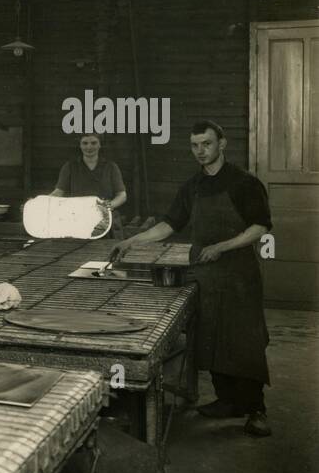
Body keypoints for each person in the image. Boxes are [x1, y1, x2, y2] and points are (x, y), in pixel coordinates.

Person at [113, 121, 272, 437]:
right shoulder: (192, 187)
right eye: (195, 145)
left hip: (240, 275)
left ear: (222, 144)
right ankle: (228, 400)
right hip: (205, 273)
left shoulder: (245, 183)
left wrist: (223, 246)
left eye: (207, 144)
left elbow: (260, 226)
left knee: (244, 342)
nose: (201, 151)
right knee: (212, 336)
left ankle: (256, 409)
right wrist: (134, 241)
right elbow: (169, 225)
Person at [50, 134, 127, 231]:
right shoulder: (70, 166)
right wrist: (39, 203)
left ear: (100, 145)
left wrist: (108, 207)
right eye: (85, 143)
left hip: (104, 218)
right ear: (80, 145)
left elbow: (122, 195)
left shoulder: (111, 167)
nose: (89, 147)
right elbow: (58, 192)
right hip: (77, 217)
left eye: (93, 143)